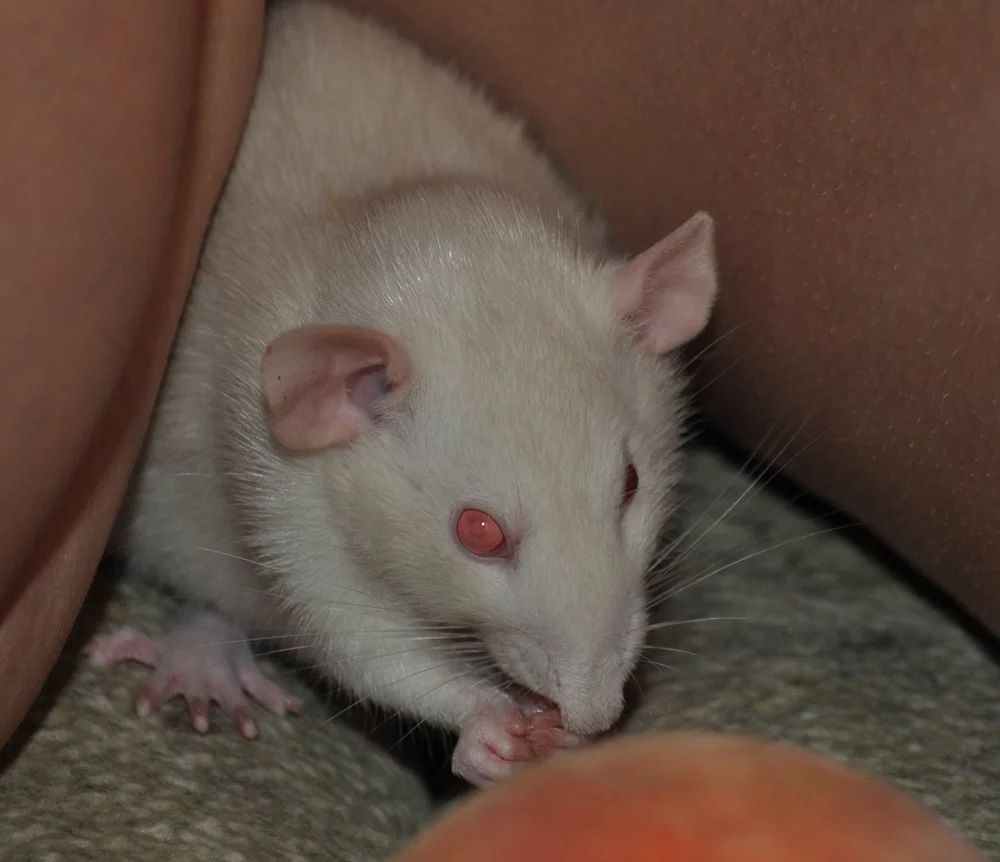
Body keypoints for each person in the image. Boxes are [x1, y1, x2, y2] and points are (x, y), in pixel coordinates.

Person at [1, 0, 996, 753]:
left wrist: (494, 696)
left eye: (628, 489)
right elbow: (342, 625)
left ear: (652, 308)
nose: (595, 697)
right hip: (197, 473)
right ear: (342, 395)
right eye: (482, 533)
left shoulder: (574, 303)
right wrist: (475, 706)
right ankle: (217, 615)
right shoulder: (311, 416)